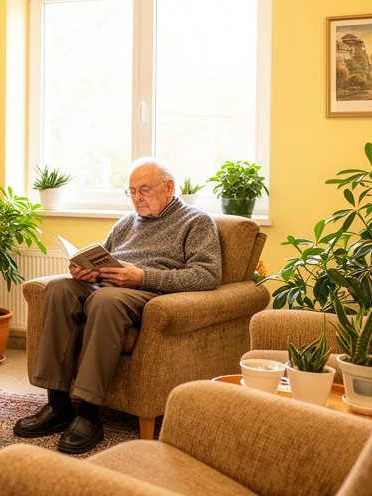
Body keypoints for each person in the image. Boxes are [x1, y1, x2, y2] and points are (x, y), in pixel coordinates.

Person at [14, 158, 222, 454]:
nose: (137, 197)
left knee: (105, 299)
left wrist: (142, 276)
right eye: (132, 191)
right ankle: (58, 406)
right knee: (59, 289)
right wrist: (87, 271)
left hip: (149, 293)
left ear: (169, 187)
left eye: (145, 189)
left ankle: (88, 414)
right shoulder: (126, 222)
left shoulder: (196, 221)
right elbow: (103, 259)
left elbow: (207, 275)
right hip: (108, 286)